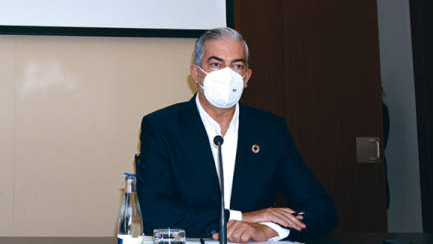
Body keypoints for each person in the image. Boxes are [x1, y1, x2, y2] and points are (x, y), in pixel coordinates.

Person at [136, 28, 337, 242]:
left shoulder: (270, 130)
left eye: (237, 66)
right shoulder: (162, 127)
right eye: (216, 64)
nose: (228, 74)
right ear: (196, 74)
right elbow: (154, 213)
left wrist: (269, 229)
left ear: (247, 77)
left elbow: (322, 209)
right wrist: (243, 217)